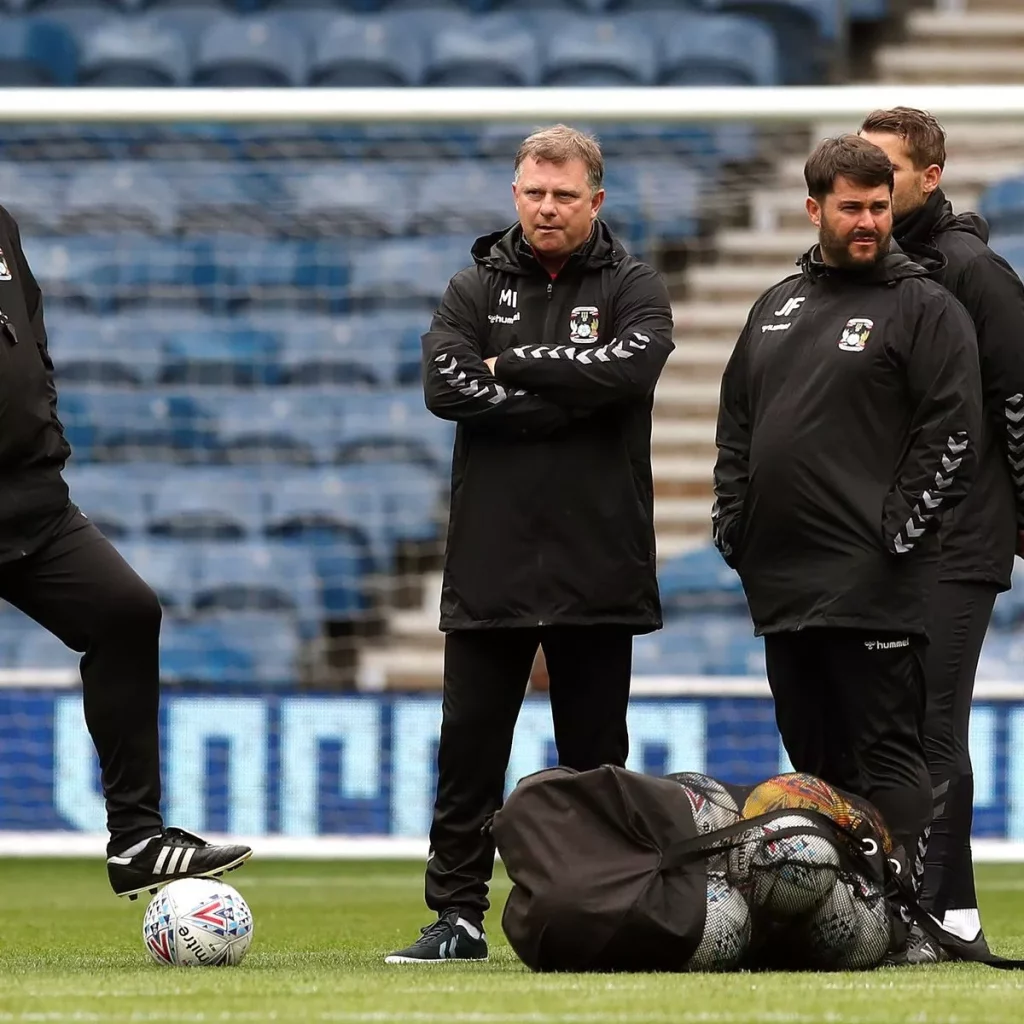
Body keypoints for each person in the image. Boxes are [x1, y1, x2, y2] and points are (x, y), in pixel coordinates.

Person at [386, 125, 674, 964]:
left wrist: (508, 366)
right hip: (492, 559)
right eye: (534, 193)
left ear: (596, 200)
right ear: (516, 194)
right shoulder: (472, 284)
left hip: (599, 558)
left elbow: (627, 372)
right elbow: (445, 385)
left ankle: (604, 912)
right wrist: (565, 381)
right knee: (469, 750)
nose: (548, 208)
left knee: (595, 760)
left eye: (564, 195)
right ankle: (458, 917)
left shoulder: (636, 285)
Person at [712, 135, 983, 899]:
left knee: (889, 757)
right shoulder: (775, 304)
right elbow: (736, 421)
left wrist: (898, 533)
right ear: (814, 209)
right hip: (782, 581)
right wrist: (734, 521)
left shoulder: (925, 305)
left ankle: (907, 916)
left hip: (875, 578)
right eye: (851, 208)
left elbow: (955, 431)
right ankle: (838, 915)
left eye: (878, 206)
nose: (868, 221)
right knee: (815, 765)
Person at [0, 203, 251, 899]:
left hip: (30, 500)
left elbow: (29, 335)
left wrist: (42, 420)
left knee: (125, 612)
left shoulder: (1, 225)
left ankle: (137, 839)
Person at [861, 107, 1024, 959]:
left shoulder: (972, 271)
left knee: (932, 728)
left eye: (886, 169)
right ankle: (946, 910)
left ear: (930, 176)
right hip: (881, 541)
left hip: (959, 536)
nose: (872, 186)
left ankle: (935, 913)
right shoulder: (867, 272)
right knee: (895, 731)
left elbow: (1019, 403)